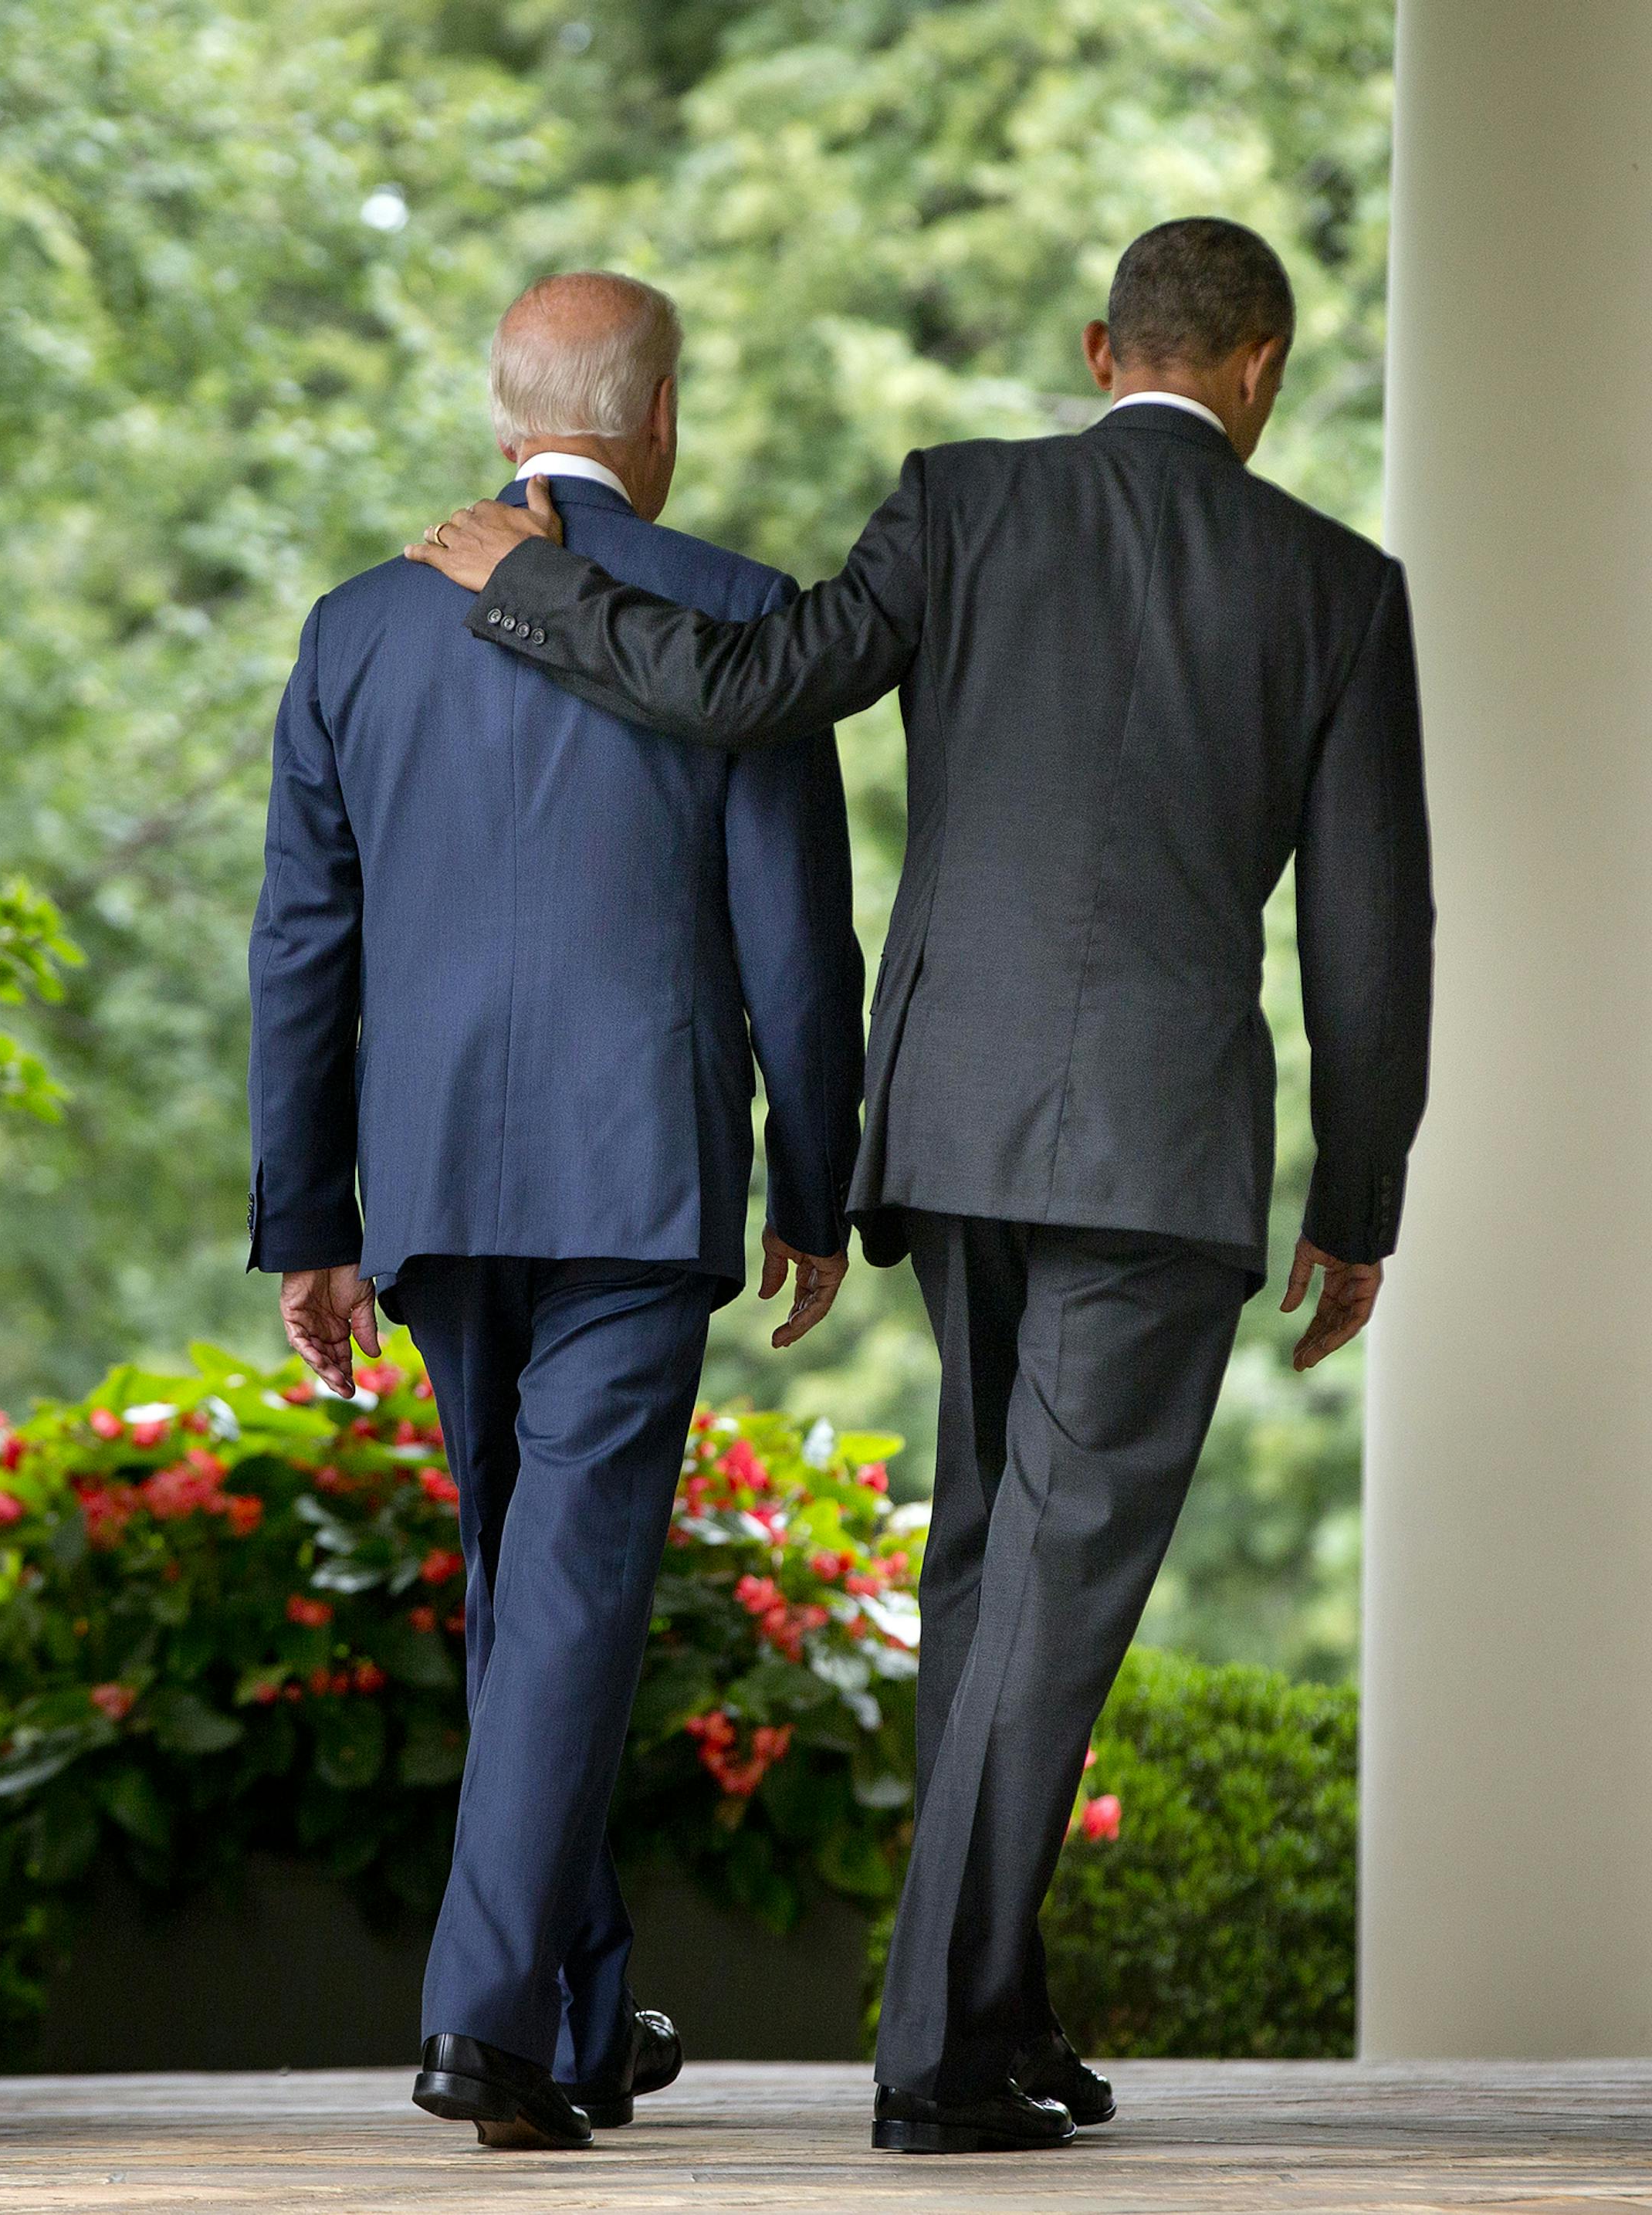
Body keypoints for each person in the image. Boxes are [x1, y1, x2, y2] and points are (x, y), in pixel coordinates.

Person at [407, 215, 1435, 2156]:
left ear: (1093, 339)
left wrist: (545, 598)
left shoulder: (960, 504)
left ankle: (1002, 2003)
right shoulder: (1336, 584)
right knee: (1047, 1588)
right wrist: (1358, 1198)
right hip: (1155, 1158)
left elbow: (761, 684)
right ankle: (939, 2061)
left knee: (992, 1565)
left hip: (952, 1129)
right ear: (1263, 367)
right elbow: (1373, 945)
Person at [247, 270, 864, 2149]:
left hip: (429, 1183)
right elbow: (798, 944)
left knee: (536, 1589)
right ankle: (484, 2026)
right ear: (657, 412)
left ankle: (581, 2016)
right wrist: (821, 1184)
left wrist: (312, 1218)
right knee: (574, 1586)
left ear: (502, 409)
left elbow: (303, 946)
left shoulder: (356, 630)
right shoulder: (744, 617)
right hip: (640, 1172)